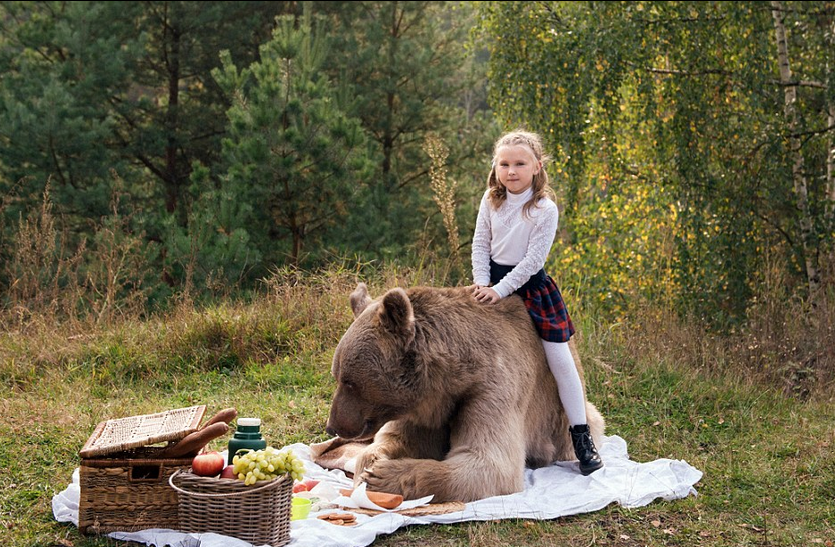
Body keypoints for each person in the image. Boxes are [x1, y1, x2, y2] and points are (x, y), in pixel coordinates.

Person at [470, 129, 603, 475]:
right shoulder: (490, 199)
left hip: (529, 286)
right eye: (504, 164)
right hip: (489, 283)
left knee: (559, 358)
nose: (511, 171)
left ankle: (581, 435)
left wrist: (501, 290)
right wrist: (483, 283)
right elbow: (480, 245)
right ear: (496, 167)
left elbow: (532, 262)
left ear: (537, 166)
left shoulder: (545, 209)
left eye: (519, 163)